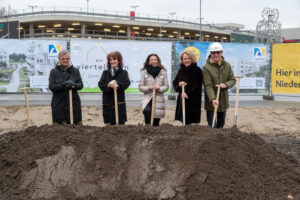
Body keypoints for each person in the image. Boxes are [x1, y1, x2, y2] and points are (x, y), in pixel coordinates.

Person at [202, 42, 236, 128]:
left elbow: (232, 80)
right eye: (213, 53)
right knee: (212, 126)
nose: (216, 54)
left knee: (221, 125)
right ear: (211, 54)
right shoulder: (206, 68)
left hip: (223, 101)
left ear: (221, 53)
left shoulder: (227, 65)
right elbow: (208, 86)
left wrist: (226, 85)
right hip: (211, 102)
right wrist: (213, 99)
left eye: (218, 52)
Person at [49, 50, 83, 125]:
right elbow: (51, 87)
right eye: (63, 59)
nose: (65, 60)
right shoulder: (54, 72)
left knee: (77, 129)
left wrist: (73, 84)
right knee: (59, 129)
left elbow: (80, 85)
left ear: (69, 59)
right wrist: (63, 84)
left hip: (73, 103)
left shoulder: (75, 71)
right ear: (59, 59)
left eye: (67, 58)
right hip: (58, 103)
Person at [98, 51, 130, 125]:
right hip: (108, 102)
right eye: (110, 60)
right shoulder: (105, 72)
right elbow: (101, 85)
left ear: (119, 61)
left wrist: (117, 84)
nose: (112, 61)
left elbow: (126, 83)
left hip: (119, 101)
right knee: (109, 124)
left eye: (114, 59)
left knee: (120, 124)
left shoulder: (124, 73)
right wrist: (109, 86)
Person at [173, 49, 203, 125]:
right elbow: (175, 82)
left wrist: (187, 94)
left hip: (193, 101)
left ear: (192, 59)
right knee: (183, 121)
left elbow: (197, 85)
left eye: (189, 58)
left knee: (191, 122)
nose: (186, 61)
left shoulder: (197, 70)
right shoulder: (181, 70)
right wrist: (179, 84)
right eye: (185, 59)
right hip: (182, 100)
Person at [138, 53, 169, 126]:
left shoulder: (163, 72)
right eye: (151, 60)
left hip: (159, 99)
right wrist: (149, 87)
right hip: (148, 98)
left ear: (158, 61)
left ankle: (156, 133)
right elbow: (140, 87)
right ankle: (148, 129)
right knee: (147, 111)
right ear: (148, 61)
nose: (154, 61)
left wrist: (159, 88)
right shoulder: (144, 72)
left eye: (155, 59)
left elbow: (166, 86)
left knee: (156, 120)